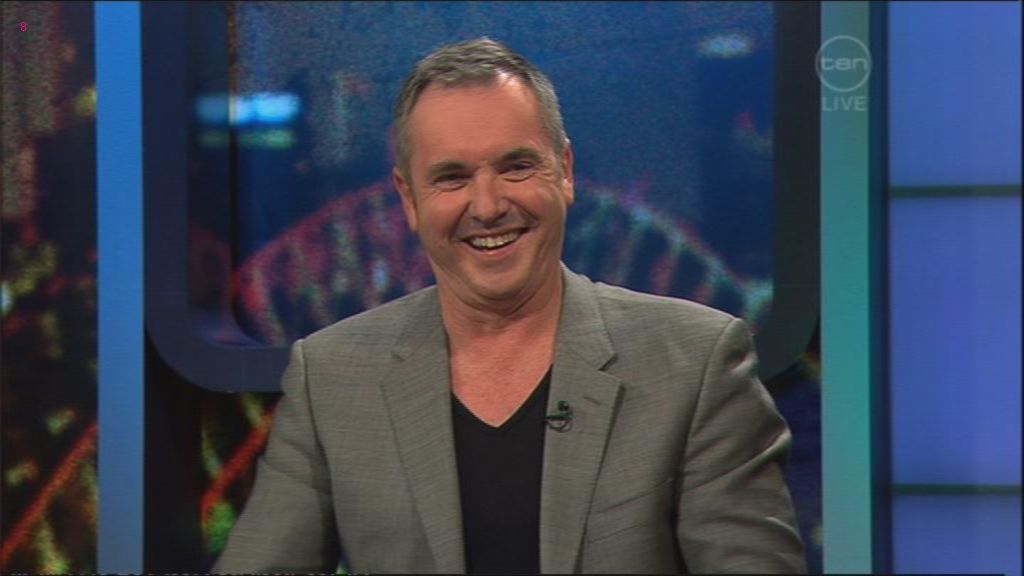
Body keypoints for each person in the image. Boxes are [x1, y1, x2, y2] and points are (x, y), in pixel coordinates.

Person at [214, 37, 806, 574]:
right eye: (452, 178)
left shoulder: (694, 362)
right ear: (409, 199)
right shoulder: (333, 376)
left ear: (565, 172)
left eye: (516, 167)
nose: (489, 205)